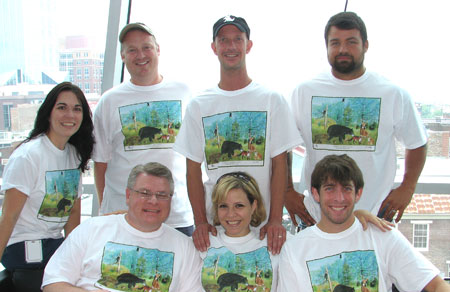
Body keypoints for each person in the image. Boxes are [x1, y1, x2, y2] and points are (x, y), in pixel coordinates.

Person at [278, 154, 450, 292]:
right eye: (330, 189)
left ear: (358, 193)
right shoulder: (294, 249)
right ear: (316, 194)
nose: (339, 198)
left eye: (347, 189)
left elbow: (438, 285)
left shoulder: (383, 236)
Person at [285, 11, 427, 229]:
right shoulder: (304, 92)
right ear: (326, 47)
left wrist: (408, 187)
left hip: (375, 217)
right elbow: (283, 146)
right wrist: (287, 191)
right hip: (315, 218)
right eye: (335, 43)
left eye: (351, 42)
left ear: (366, 45)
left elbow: (417, 143)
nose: (342, 49)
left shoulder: (392, 93)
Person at [174, 15, 301, 254]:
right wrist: (201, 222)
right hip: (218, 228)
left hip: (262, 228)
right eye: (224, 40)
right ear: (214, 47)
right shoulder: (199, 105)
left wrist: (275, 220)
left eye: (237, 40)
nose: (231, 46)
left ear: (248, 45)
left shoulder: (272, 100)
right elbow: (192, 169)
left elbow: (279, 165)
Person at [42, 162, 203, 292]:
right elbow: (51, 286)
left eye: (162, 195)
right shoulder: (93, 228)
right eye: (144, 193)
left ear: (171, 200)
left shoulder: (184, 247)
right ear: (128, 195)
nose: (153, 201)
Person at [93, 22, 194, 236]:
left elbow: (195, 157)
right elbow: (100, 164)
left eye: (146, 47)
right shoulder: (109, 101)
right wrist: (108, 211)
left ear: (158, 50)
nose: (140, 55)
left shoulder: (184, 93)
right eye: (132, 49)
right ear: (122, 56)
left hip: (176, 217)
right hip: (123, 218)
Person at [0, 81, 94, 272]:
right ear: (48, 113)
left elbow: (73, 213)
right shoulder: (28, 156)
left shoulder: (73, 155)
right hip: (22, 245)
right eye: (62, 107)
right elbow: (9, 217)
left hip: (53, 243)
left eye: (77, 109)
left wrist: (74, 255)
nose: (70, 115)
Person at [188, 171, 285, 292]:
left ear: (254, 205)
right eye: (223, 206)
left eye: (239, 206)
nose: (231, 214)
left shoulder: (275, 243)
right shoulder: (203, 243)